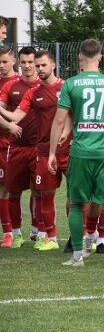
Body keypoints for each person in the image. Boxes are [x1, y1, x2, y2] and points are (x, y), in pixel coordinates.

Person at [49, 39, 104, 267]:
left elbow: (59, 120)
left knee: (76, 203)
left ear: (80, 59)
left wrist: (51, 153)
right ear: (101, 58)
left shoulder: (71, 84)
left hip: (81, 152)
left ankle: (77, 256)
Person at [1, 50, 68, 251]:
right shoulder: (25, 90)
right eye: (28, 63)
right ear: (19, 63)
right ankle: (22, 234)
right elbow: (15, 116)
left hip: (61, 149)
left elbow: (72, 114)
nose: (33, 67)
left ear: (53, 65)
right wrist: (7, 122)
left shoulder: (65, 87)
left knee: (62, 194)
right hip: (31, 149)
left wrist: (67, 131)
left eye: (38, 64)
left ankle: (77, 237)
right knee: (22, 191)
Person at [0, 46, 39, 248]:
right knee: (13, 191)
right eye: (24, 62)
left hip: (39, 147)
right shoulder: (11, 87)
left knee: (39, 190)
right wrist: (9, 126)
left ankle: (36, 230)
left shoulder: (44, 85)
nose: (27, 66)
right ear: (19, 62)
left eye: (30, 62)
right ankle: (15, 233)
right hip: (15, 147)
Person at [0, 46, 17, 247]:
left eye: (4, 61)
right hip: (3, 140)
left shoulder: (20, 83)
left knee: (33, 188)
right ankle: (8, 232)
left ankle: (35, 230)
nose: (1, 66)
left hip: (13, 143)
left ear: (14, 61)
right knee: (4, 189)